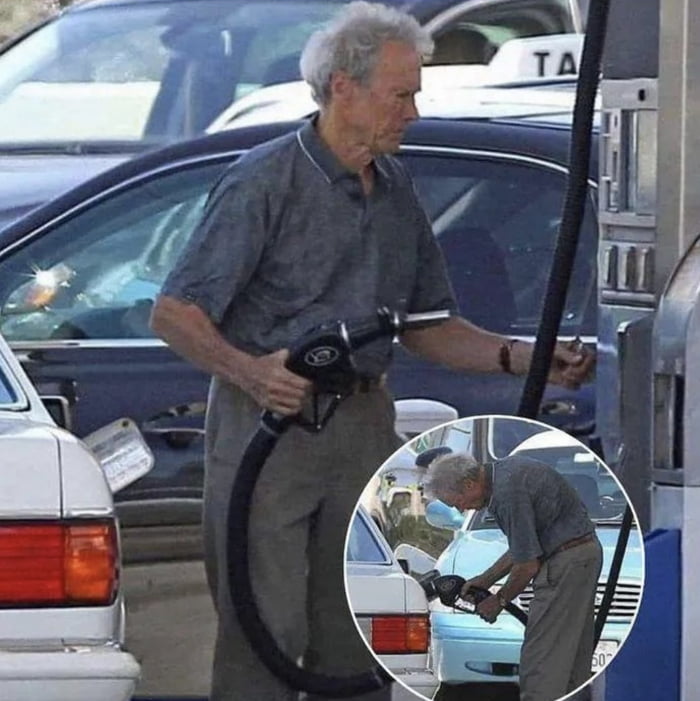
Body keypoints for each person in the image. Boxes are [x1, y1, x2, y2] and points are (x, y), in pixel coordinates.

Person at [149, 2, 595, 700]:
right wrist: (252, 372)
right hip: (270, 428)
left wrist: (527, 356)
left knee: (358, 628)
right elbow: (174, 313)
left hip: (360, 423)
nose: (413, 111)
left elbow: (427, 323)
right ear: (342, 90)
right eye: (401, 93)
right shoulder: (263, 182)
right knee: (265, 629)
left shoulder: (393, 187)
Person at [423, 451, 603, 701]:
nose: (461, 510)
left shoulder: (507, 495)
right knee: (571, 661)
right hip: (580, 554)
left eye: (458, 502)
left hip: (566, 561)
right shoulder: (504, 475)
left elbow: (527, 565)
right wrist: (485, 579)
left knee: (541, 663)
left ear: (469, 484)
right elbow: (523, 546)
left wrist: (498, 601)